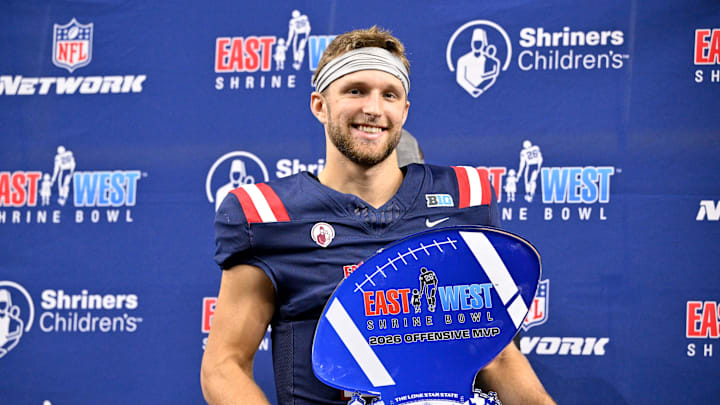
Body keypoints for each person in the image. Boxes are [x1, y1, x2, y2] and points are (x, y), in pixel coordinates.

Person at [201, 26, 556, 405]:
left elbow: (497, 356)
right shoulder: (269, 215)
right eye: (355, 90)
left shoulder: (463, 199)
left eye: (389, 95)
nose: (373, 108)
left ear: (403, 110)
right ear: (320, 105)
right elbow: (225, 365)